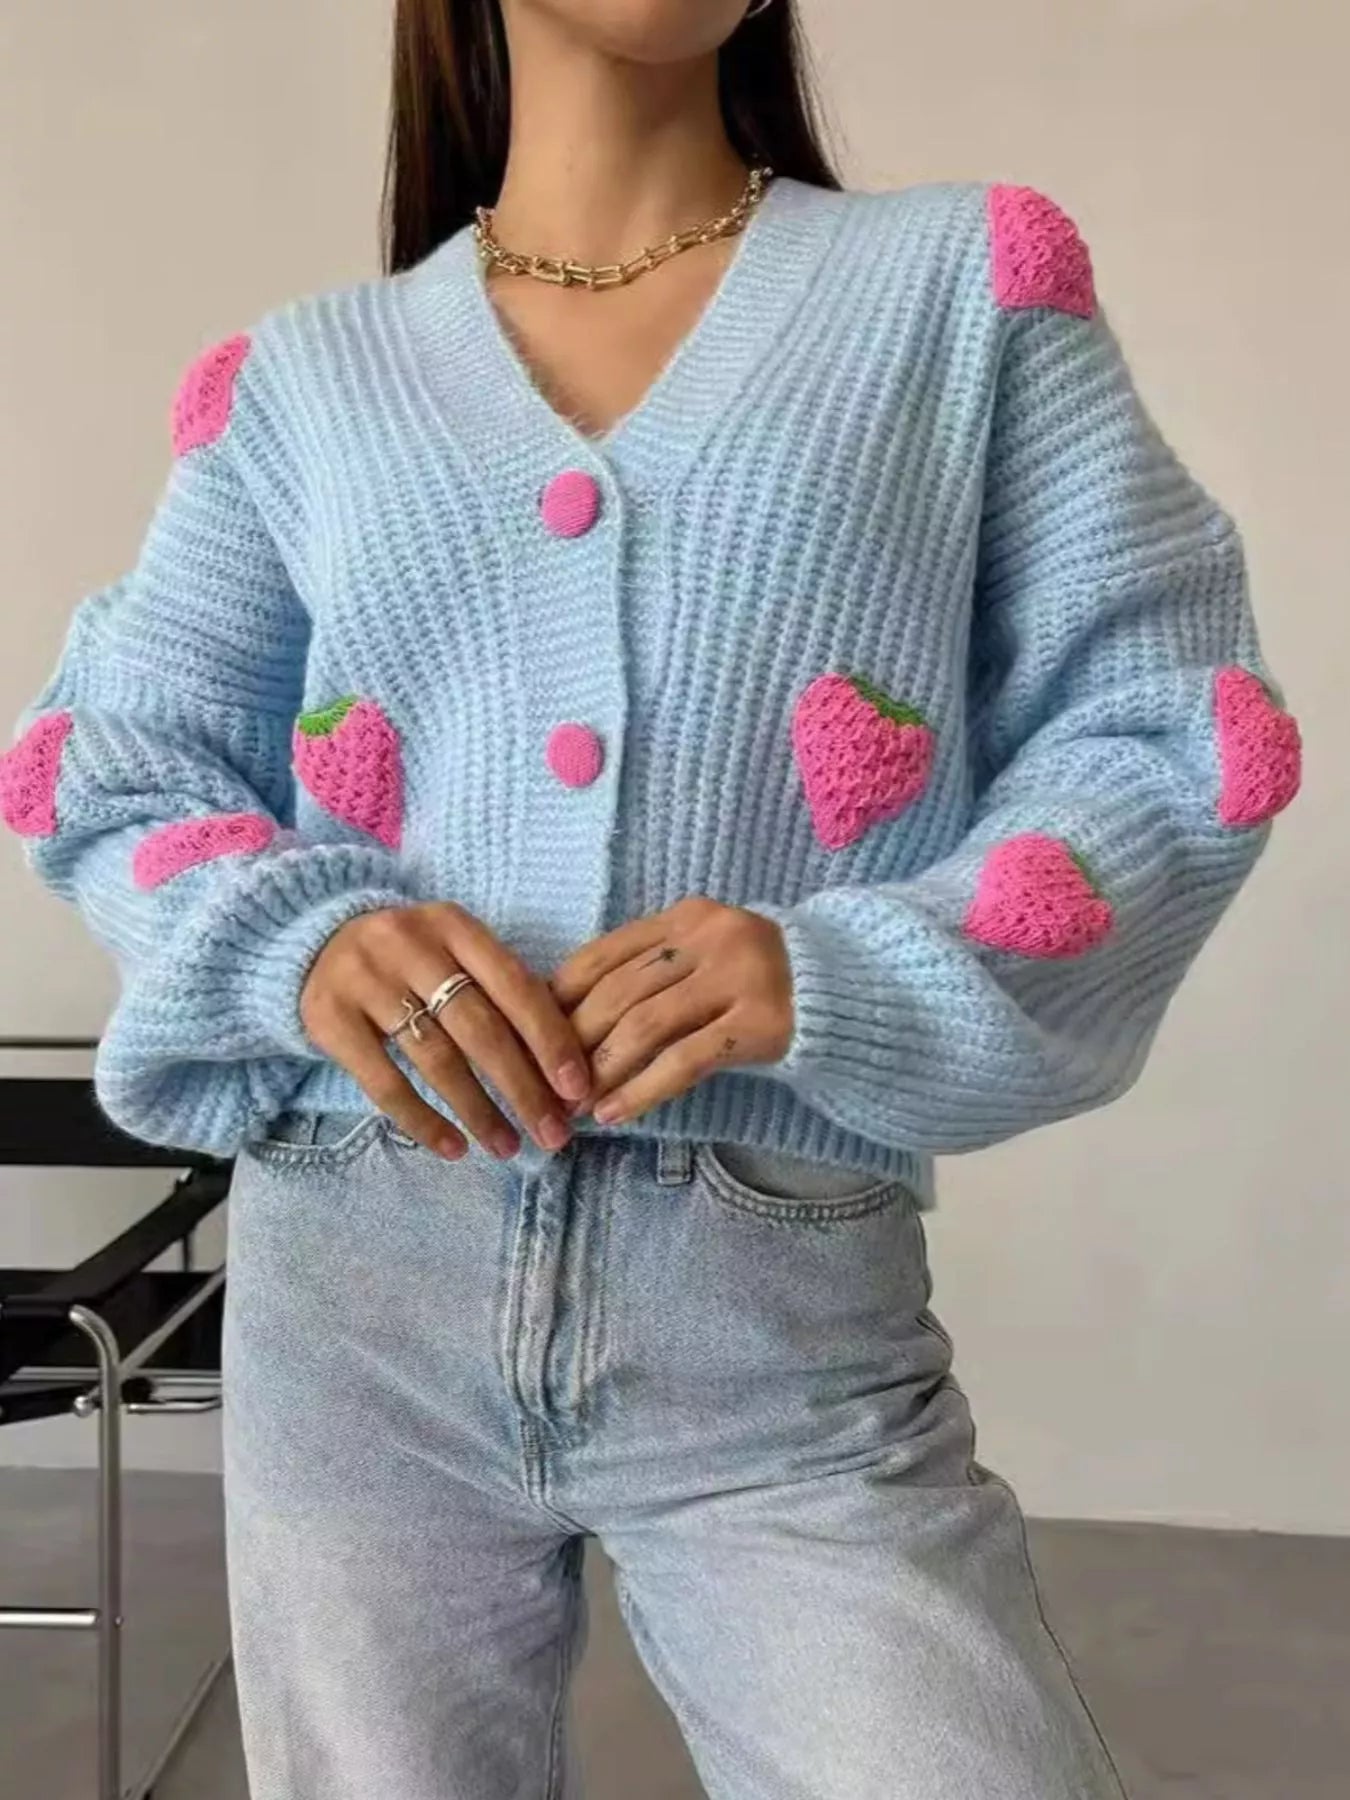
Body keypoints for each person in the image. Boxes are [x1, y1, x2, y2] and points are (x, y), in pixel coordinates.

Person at [2, 0, 1302, 1794]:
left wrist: (854, 964)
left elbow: (1173, 733)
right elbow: (107, 758)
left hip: (769, 1294)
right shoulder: (303, 378)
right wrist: (302, 942)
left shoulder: (960, 294)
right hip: (356, 1274)